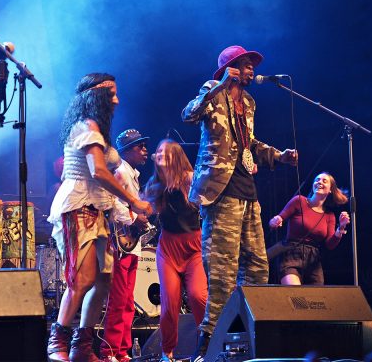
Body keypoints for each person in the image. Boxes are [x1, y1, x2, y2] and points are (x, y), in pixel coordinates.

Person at [181, 45, 298, 358]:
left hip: (249, 195)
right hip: (220, 194)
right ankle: (206, 347)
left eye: (251, 66)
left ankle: (245, 338)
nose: (252, 71)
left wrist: (278, 156)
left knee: (258, 269)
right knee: (221, 276)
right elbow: (189, 114)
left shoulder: (249, 102)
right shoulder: (212, 92)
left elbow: (250, 144)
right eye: (246, 65)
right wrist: (219, 84)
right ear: (231, 67)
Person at [47, 74, 152, 362]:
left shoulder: (99, 130)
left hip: (100, 213)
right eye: (111, 93)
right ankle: (58, 339)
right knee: (81, 280)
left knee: (103, 281)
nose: (116, 100)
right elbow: (98, 171)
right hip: (78, 208)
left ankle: (82, 346)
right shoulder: (86, 126)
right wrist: (134, 201)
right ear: (94, 95)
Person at [143, 139, 207, 362]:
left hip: (194, 246)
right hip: (168, 248)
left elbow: (210, 192)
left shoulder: (189, 178)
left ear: (175, 155)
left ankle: (206, 347)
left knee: (198, 296)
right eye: (158, 150)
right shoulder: (154, 184)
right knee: (170, 303)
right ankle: (167, 352)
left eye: (164, 151)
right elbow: (144, 210)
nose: (159, 153)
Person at [100, 129, 150, 362]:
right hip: (121, 243)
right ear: (127, 150)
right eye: (139, 147)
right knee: (119, 299)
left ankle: (122, 351)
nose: (144, 150)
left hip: (131, 243)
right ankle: (110, 350)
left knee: (128, 301)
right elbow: (112, 202)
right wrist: (133, 218)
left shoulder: (132, 173)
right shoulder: (120, 172)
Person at [269, 172, 350, 285]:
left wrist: (341, 228)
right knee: (296, 296)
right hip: (291, 254)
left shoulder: (329, 215)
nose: (319, 182)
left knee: (315, 299)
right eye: (317, 180)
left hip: (313, 261)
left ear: (330, 189)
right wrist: (276, 220)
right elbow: (279, 217)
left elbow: (330, 245)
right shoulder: (299, 201)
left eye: (324, 181)